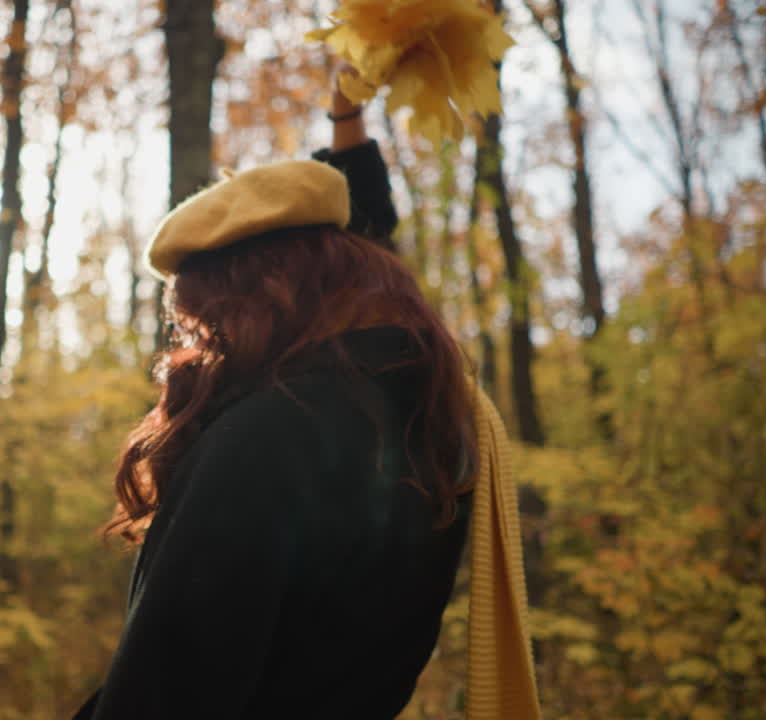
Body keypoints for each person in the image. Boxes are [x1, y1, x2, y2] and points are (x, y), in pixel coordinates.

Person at [70, 68, 481, 719]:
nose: (202, 343)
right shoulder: (421, 422)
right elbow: (365, 247)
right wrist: (347, 126)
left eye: (207, 321)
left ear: (262, 303)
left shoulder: (265, 441)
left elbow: (161, 699)